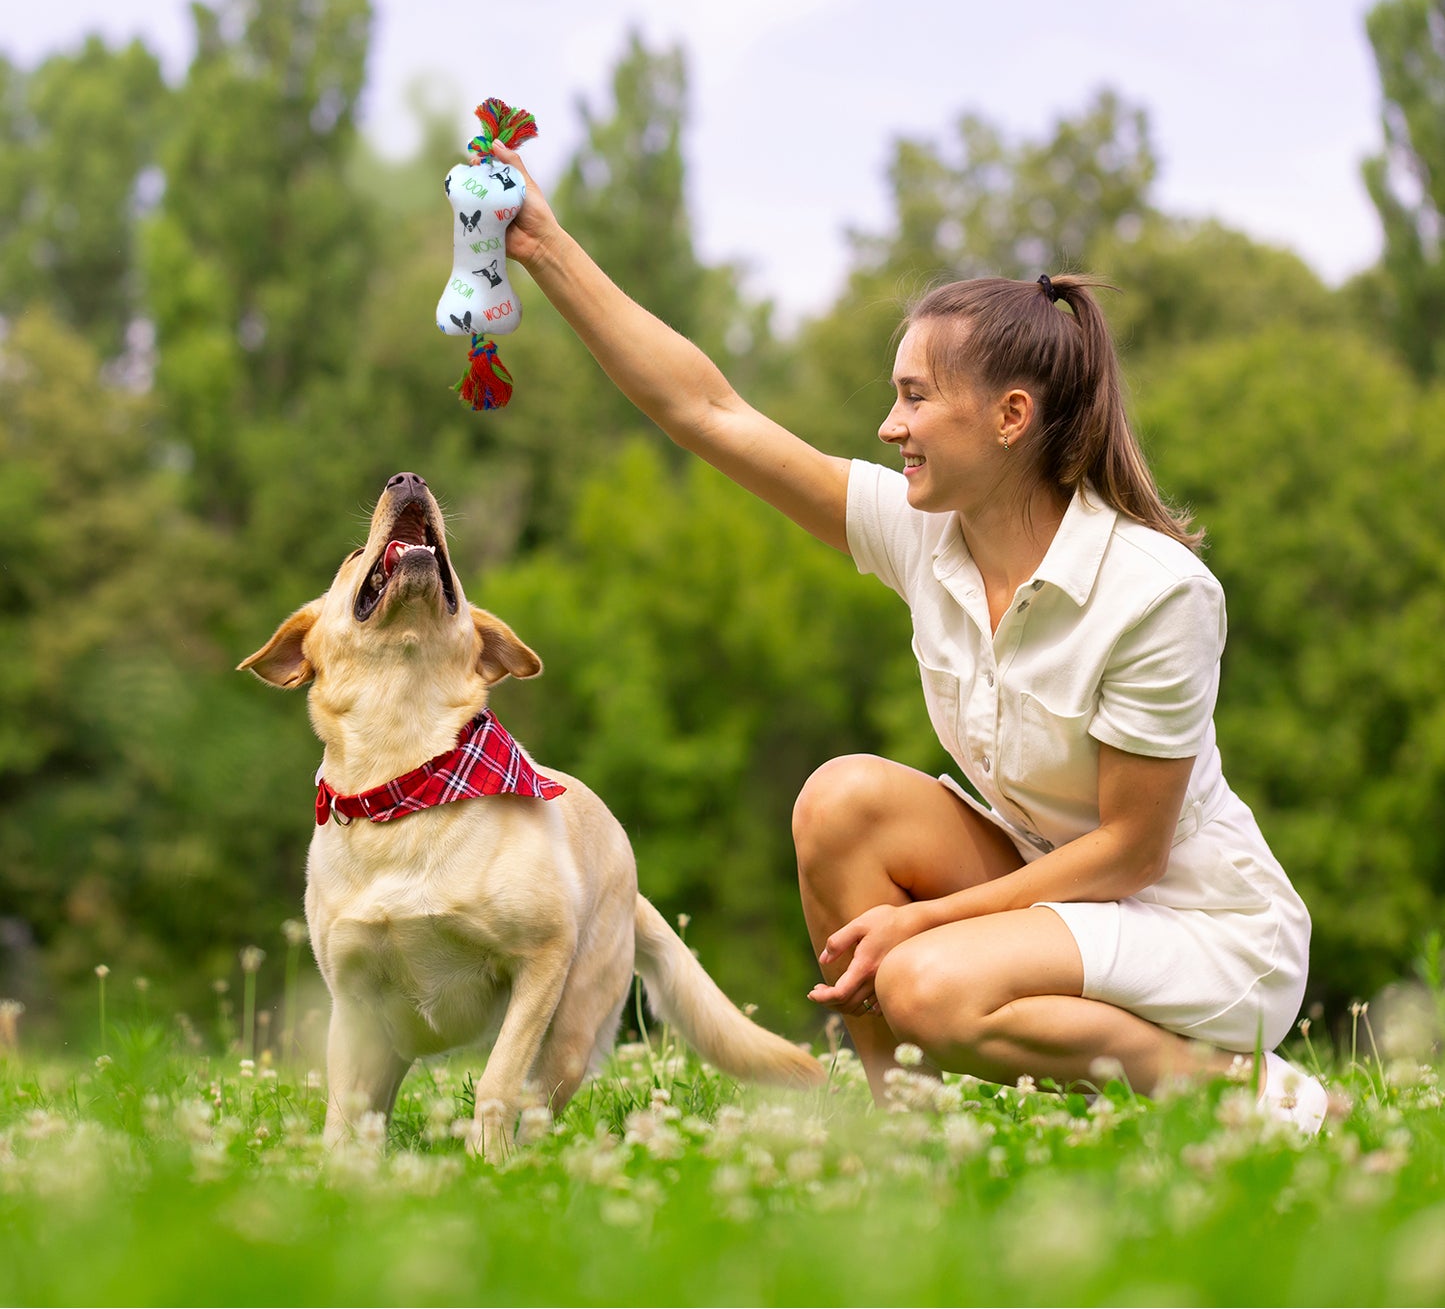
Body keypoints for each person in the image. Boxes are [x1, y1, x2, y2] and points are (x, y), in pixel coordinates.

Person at [487, 141, 1326, 1132]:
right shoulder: (921, 531)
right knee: (840, 803)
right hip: (1049, 887)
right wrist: (543, 247)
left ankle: (1231, 1087)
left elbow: (1129, 854)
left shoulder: (1154, 593)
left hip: (1197, 926)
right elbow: (706, 409)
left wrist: (921, 921)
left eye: (916, 395)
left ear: (1010, 416)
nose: (889, 425)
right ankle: (906, 1134)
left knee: (922, 983)